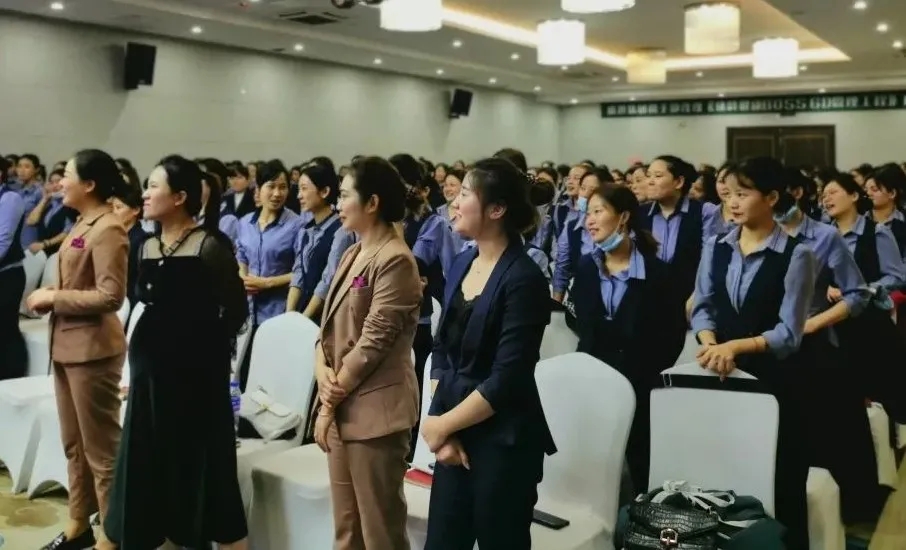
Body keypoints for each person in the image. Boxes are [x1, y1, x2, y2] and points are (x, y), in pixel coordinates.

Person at [105, 155, 249, 550]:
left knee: (200, 464)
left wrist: (201, 350)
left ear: (180, 197)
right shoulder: (146, 247)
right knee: (147, 460)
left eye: (154, 186)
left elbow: (236, 311)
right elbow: (144, 303)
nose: (145, 194)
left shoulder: (209, 246)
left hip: (195, 378)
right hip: (149, 374)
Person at [423, 157, 555, 549]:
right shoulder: (463, 261)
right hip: (455, 430)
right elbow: (442, 350)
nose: (454, 202)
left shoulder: (524, 279)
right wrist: (443, 425)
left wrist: (443, 425)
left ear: (496, 210)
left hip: (503, 441)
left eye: (465, 193)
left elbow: (507, 378)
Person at [690, 157, 817, 549]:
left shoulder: (797, 254)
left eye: (743, 194)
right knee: (725, 474)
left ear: (772, 197)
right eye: (728, 194)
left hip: (776, 382)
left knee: (779, 479)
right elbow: (703, 306)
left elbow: (789, 333)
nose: (732, 202)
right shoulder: (716, 246)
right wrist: (710, 343)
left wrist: (735, 346)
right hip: (722, 376)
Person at [312, 156, 422, 550]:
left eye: (344, 196)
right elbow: (327, 331)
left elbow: (373, 343)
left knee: (380, 534)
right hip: (342, 405)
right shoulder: (352, 253)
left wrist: (328, 402)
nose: (338, 204)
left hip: (375, 416)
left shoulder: (396, 260)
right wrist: (321, 370)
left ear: (372, 202)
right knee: (347, 530)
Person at [26, 149, 130, 550]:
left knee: (102, 452)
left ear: (89, 184)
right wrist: (56, 295)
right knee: (74, 445)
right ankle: (78, 523)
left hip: (93, 351)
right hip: (67, 347)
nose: (59, 183)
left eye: (66, 175)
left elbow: (110, 296)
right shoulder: (82, 223)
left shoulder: (109, 228)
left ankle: (112, 535)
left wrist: (54, 297)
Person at [571, 183, 686, 494]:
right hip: (593, 381)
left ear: (623, 217)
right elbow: (583, 326)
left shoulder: (657, 274)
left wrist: (645, 374)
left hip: (640, 383)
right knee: (592, 464)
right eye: (588, 213)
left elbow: (673, 335)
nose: (590, 220)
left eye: (598, 212)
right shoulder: (586, 267)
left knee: (640, 462)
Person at [0, 155, 28, 380]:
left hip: (7, 274)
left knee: (5, 329)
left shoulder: (10, 198)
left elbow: (3, 240)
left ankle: (12, 377)